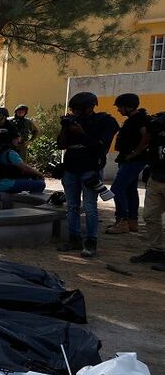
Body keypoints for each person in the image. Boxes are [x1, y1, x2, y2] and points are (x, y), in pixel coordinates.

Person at [56, 92, 120, 258]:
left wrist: (81, 132)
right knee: (72, 207)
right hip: (70, 169)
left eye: (78, 109)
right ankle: (74, 238)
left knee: (90, 207)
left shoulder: (105, 121)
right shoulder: (73, 122)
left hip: (90, 169)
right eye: (73, 110)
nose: (75, 113)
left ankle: (91, 242)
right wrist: (65, 127)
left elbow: (101, 147)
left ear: (90, 107)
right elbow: (61, 144)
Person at [105, 93, 152, 235]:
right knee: (130, 190)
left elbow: (146, 136)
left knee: (116, 189)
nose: (118, 110)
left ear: (129, 107)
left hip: (133, 161)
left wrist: (135, 153)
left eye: (120, 107)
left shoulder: (138, 119)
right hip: (129, 159)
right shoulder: (136, 118)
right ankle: (132, 221)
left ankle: (122, 221)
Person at [131, 112, 165, 269]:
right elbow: (148, 142)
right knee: (150, 216)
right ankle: (156, 250)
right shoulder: (159, 123)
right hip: (156, 176)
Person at [0, 129, 46, 194]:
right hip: (4, 184)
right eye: (17, 139)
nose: (18, 141)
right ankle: (31, 202)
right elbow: (26, 168)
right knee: (40, 184)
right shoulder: (10, 153)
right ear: (12, 140)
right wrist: (40, 174)